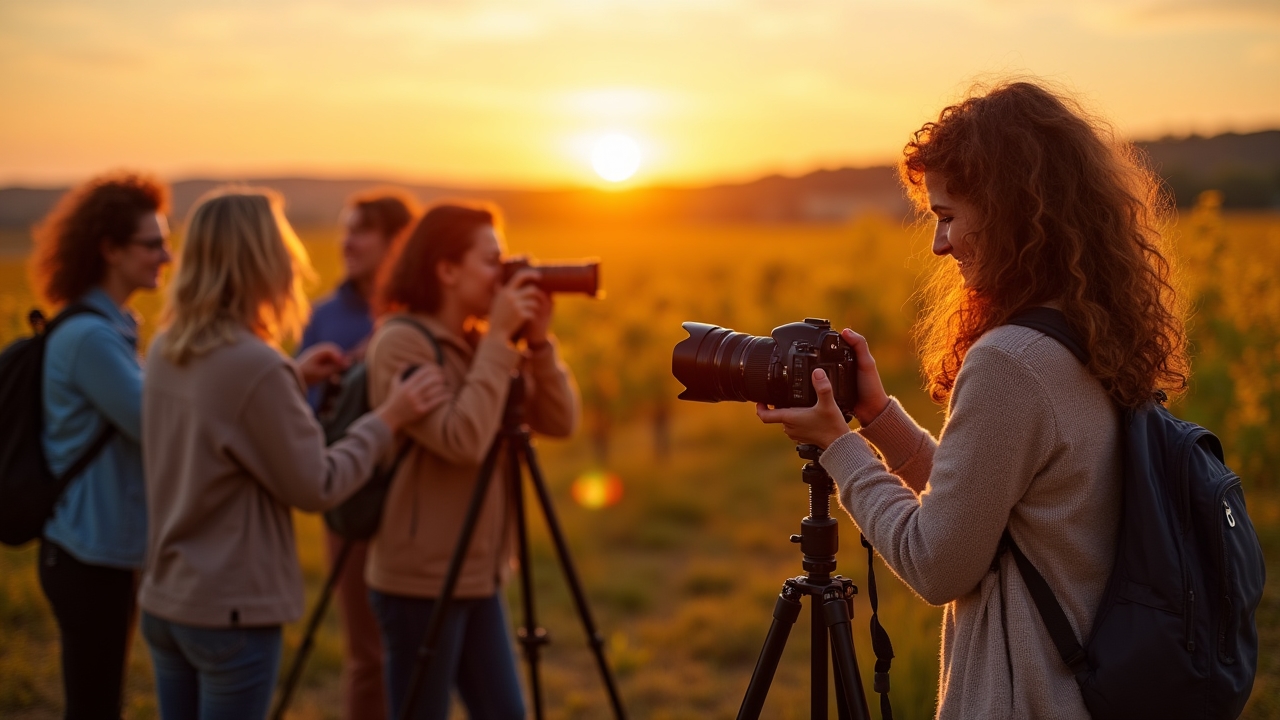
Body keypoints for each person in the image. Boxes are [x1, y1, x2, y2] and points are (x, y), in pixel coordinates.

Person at [757, 80, 1188, 719]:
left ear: (1012, 212)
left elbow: (938, 563)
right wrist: (877, 420)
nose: (939, 244)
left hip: (1027, 698)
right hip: (1088, 689)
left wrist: (839, 450)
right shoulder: (1085, 332)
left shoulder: (1010, 361)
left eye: (949, 216)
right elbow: (992, 509)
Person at [137, 188, 449, 720]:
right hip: (231, 611)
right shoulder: (257, 366)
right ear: (261, 258)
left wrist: (295, 376)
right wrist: (388, 418)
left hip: (167, 601)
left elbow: (218, 425)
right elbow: (318, 485)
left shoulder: (166, 349)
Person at [363, 203, 580, 720]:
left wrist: (537, 343)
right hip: (418, 581)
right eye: (492, 260)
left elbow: (560, 420)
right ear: (446, 269)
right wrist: (499, 344)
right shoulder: (400, 344)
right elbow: (461, 439)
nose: (504, 274)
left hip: (479, 574)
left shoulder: (479, 343)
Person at [27, 172, 171, 720]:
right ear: (110, 249)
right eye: (152, 243)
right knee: (94, 705)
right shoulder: (91, 338)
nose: (166, 255)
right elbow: (157, 426)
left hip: (96, 547)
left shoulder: (110, 328)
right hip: (89, 552)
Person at [297, 188, 419, 720]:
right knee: (366, 654)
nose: (347, 241)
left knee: (420, 649)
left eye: (361, 230)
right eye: (346, 228)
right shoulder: (324, 316)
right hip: (349, 498)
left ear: (398, 243)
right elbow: (301, 414)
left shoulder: (424, 315)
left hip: (415, 499)